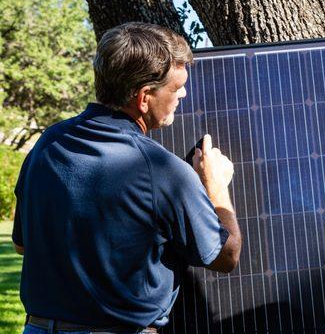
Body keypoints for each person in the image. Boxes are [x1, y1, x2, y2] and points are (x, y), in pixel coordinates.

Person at [12, 22, 242, 333]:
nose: (184, 94)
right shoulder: (161, 169)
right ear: (145, 96)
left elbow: (24, 246)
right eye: (176, 88)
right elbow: (225, 256)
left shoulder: (48, 144)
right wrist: (216, 188)